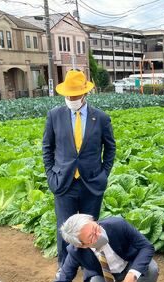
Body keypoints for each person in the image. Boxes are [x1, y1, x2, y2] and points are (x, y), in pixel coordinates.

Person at [43, 70, 116, 268]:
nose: (71, 98)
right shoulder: (54, 116)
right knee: (65, 228)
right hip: (64, 182)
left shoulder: (100, 118)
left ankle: (92, 267)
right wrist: (51, 175)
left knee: (90, 229)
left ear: (85, 94)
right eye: (68, 95)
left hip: (91, 183)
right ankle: (65, 266)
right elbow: (47, 148)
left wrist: (103, 174)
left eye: (74, 95)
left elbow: (110, 148)